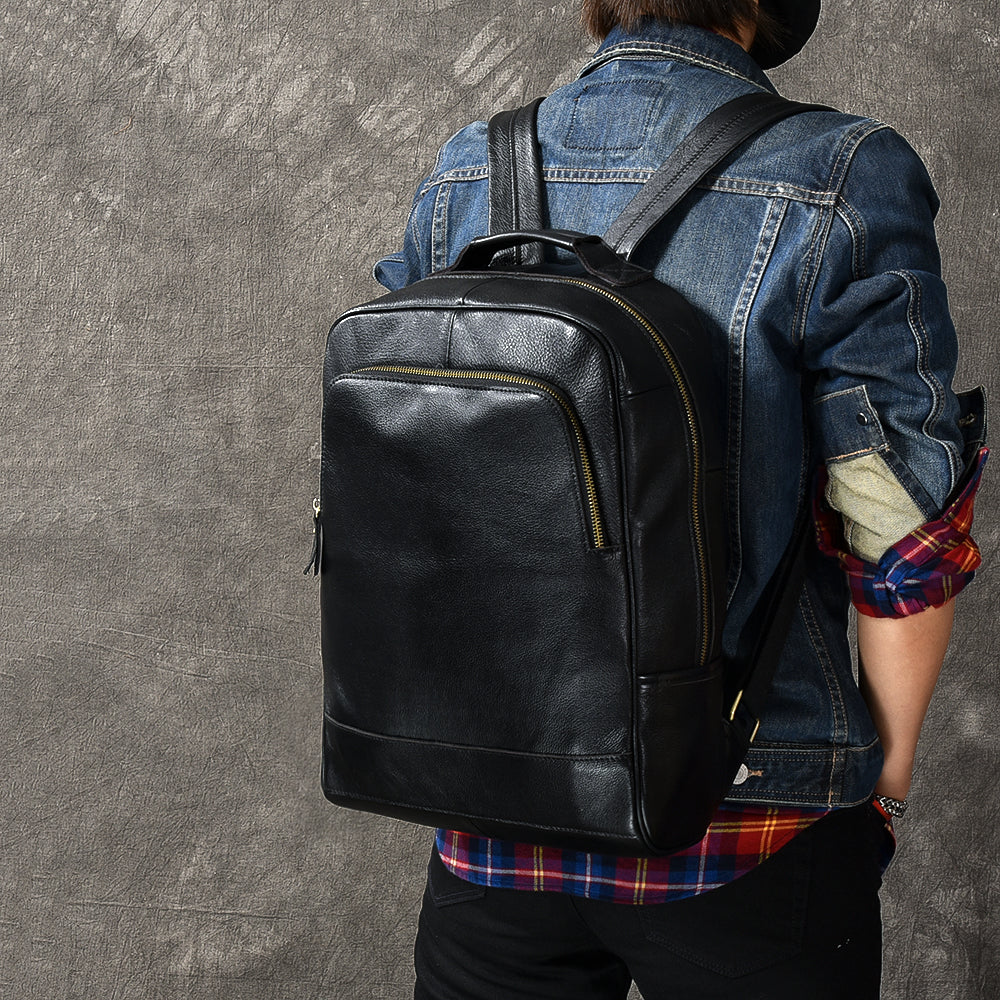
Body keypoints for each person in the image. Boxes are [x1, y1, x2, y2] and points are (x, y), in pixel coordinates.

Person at [373, 2, 987, 997]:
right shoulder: (839, 172)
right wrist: (885, 786)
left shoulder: (465, 171)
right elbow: (899, 534)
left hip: (492, 810)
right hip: (748, 815)